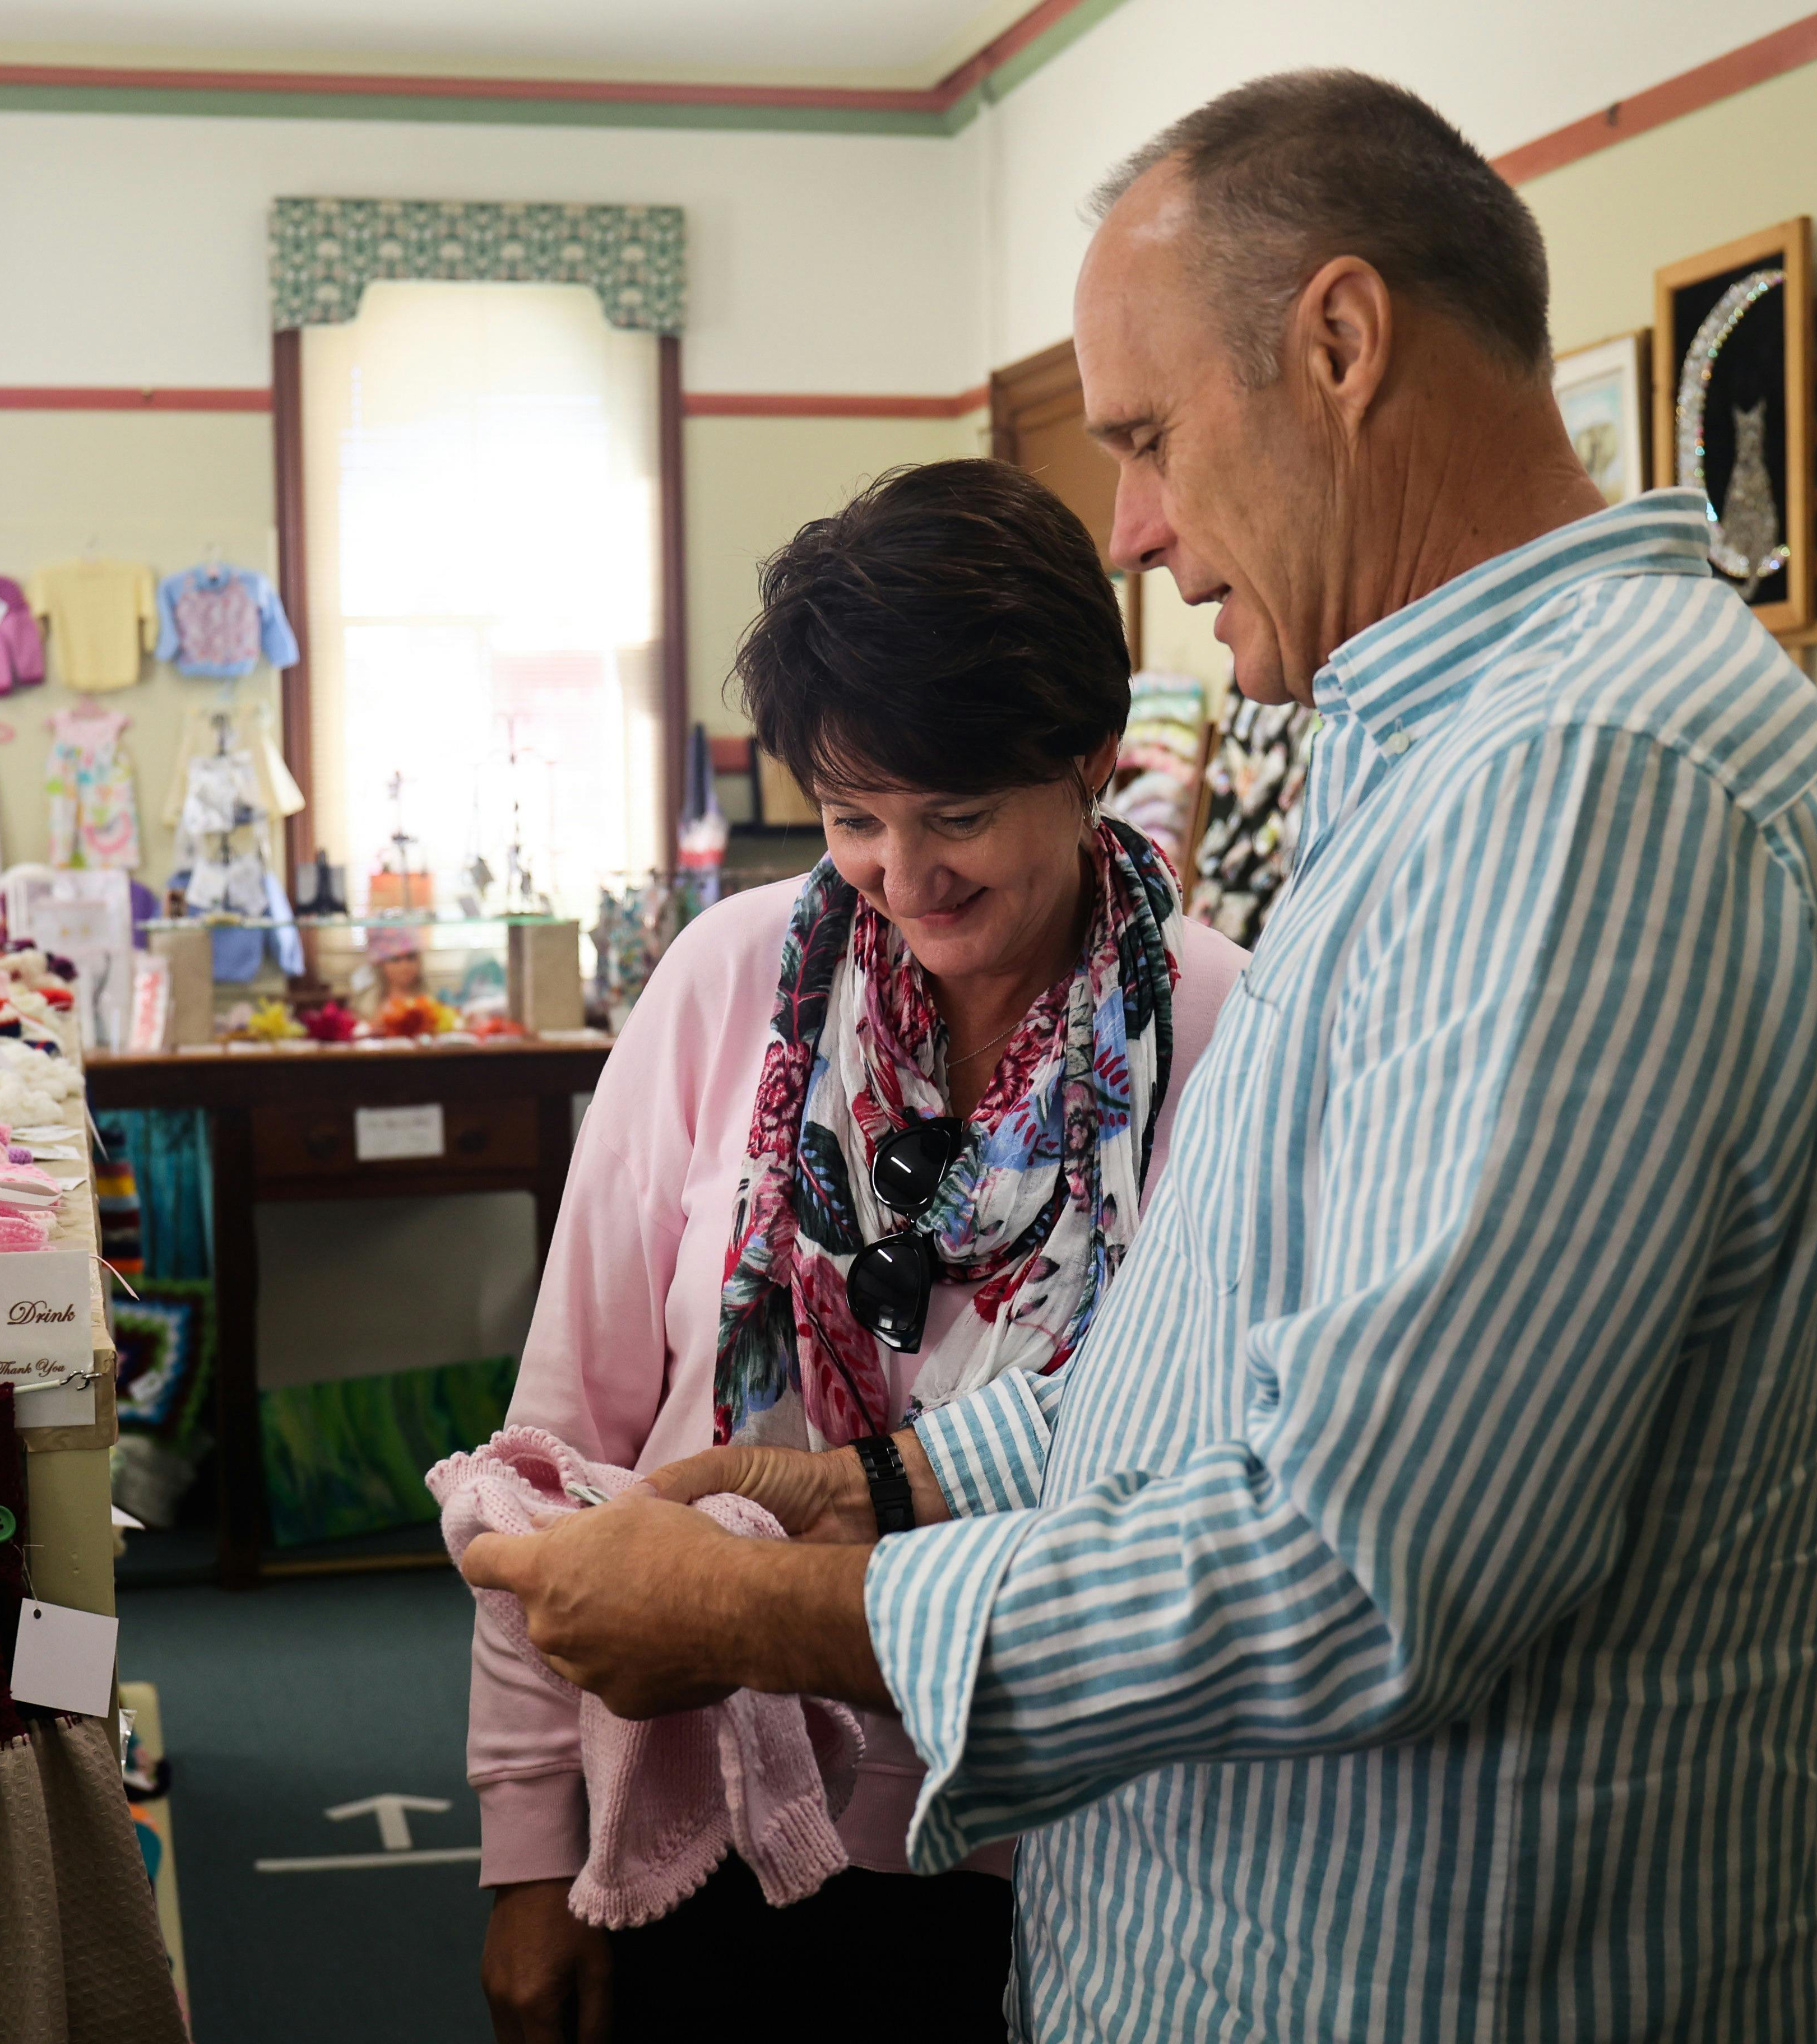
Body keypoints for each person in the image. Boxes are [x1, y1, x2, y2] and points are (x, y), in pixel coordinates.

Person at [460, 68, 1817, 2039]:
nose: (1136, 527)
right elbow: (1237, 1376)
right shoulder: (1468, 758)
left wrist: (767, 1613)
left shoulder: (1586, 782)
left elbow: (1364, 1565)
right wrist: (884, 1484)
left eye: (1146, 437)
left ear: (1337, 341)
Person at [471, 458, 1246, 2042]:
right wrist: (527, 1852)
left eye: (959, 814)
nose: (906, 875)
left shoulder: (1227, 1032)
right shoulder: (729, 986)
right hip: (712, 1823)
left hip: (1075, 1856)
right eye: (853, 819)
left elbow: (1210, 1470)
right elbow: (557, 1452)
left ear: (1090, 758)